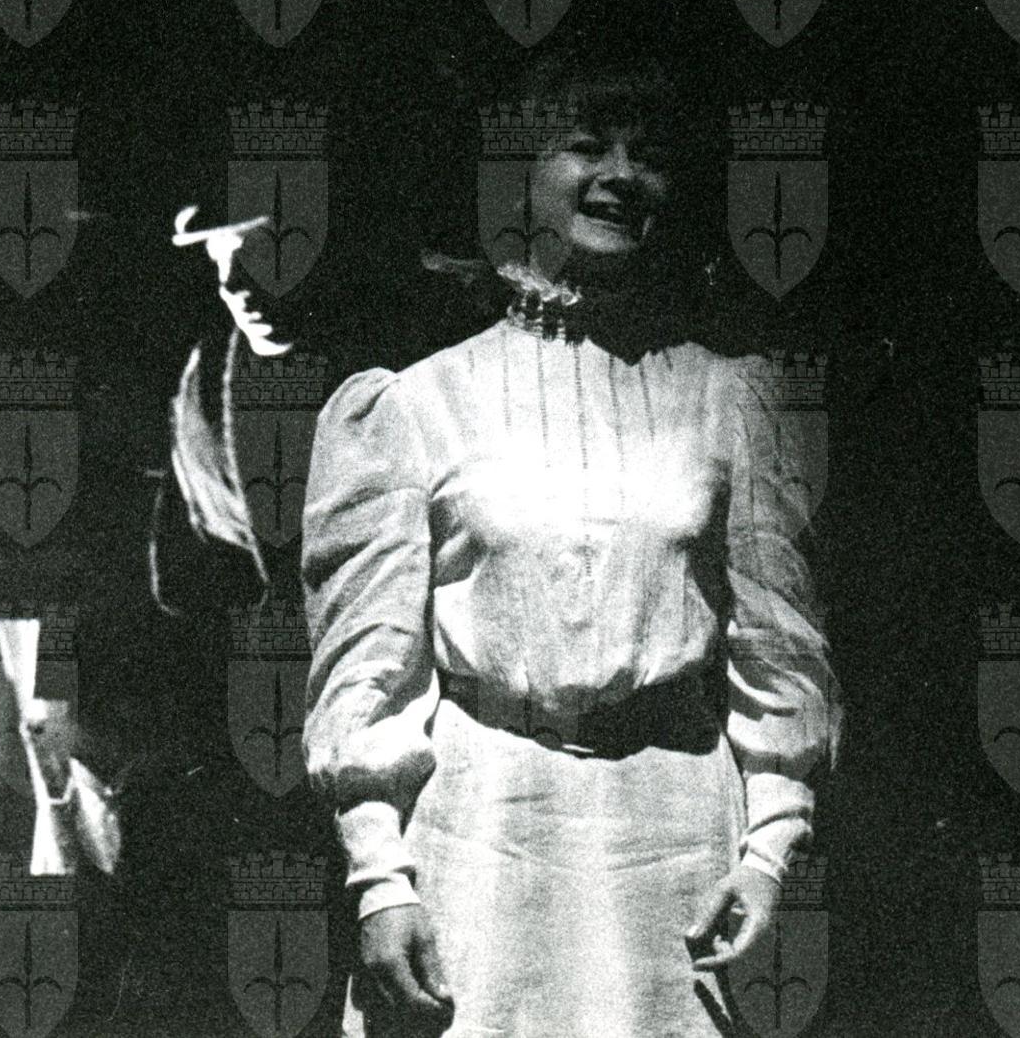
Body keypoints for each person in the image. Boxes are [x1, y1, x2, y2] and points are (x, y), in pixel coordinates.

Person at [300, 51, 843, 1037]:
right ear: (518, 173)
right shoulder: (416, 403)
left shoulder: (731, 396)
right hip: (480, 837)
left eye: (649, 155)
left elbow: (779, 649)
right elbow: (367, 670)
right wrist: (381, 878)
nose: (620, 176)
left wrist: (769, 849)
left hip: (678, 844)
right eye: (586, 146)